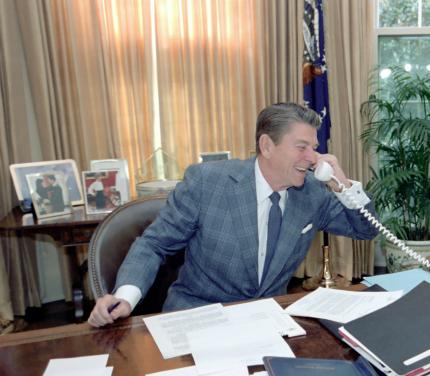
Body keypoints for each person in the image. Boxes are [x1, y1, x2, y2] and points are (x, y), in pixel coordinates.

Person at [89, 103, 379, 327]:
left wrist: (342, 183)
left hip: (267, 321)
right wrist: (125, 298)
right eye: (301, 147)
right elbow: (155, 244)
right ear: (267, 146)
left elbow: (367, 230)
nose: (312, 158)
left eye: (314, 148)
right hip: (199, 317)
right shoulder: (207, 182)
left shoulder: (313, 194)